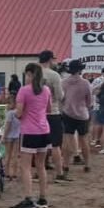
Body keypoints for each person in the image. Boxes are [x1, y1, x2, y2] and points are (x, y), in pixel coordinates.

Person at [9, 63, 53, 208]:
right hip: (44, 130)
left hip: (29, 131)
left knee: (26, 166)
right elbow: (49, 109)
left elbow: (19, 113)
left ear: (29, 74)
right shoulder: (46, 90)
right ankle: (43, 197)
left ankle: (28, 199)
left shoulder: (24, 90)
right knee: (40, 165)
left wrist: (15, 113)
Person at [60, 59, 93, 175]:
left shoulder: (63, 82)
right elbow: (89, 101)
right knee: (84, 140)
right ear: (80, 70)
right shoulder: (85, 83)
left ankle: (65, 165)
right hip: (82, 114)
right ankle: (87, 164)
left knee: (68, 140)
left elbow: (61, 98)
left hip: (68, 113)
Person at [38, 51, 67, 180]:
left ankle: (39, 171)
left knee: (39, 144)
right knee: (55, 144)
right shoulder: (54, 75)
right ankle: (59, 172)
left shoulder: (33, 73)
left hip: (37, 112)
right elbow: (60, 95)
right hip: (52, 111)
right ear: (50, 60)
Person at [2, 93, 21, 180]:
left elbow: (7, 126)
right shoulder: (18, 113)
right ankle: (15, 172)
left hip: (9, 136)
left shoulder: (9, 113)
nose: (7, 105)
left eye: (9, 103)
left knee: (7, 155)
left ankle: (6, 172)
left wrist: (3, 136)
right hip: (17, 135)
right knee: (15, 155)